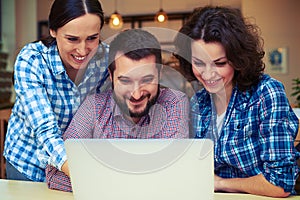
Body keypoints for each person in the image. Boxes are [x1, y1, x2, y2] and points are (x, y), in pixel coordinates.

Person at [174, 6, 299, 198]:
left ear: (238, 59)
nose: (208, 74)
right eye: (199, 63)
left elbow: (279, 183)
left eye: (220, 63)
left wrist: (220, 183)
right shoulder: (198, 102)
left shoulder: (266, 93)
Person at [46, 28, 189, 192]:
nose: (136, 94)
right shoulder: (93, 107)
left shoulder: (175, 103)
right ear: (111, 75)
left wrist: (98, 177)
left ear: (160, 74)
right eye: (125, 81)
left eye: (147, 80)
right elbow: (54, 175)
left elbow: (173, 176)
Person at [3, 0, 109, 182]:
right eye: (72, 39)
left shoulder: (105, 59)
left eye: (92, 38)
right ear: (53, 30)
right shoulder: (32, 60)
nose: (83, 50)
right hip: (29, 163)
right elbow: (46, 130)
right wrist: (84, 175)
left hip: (77, 163)